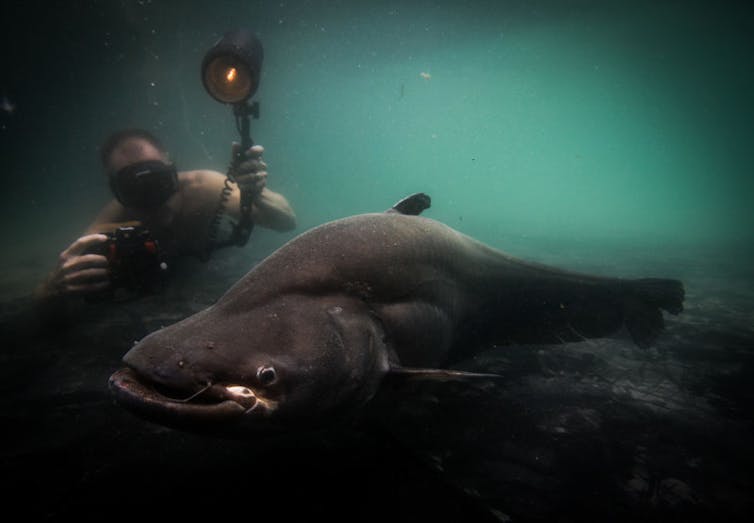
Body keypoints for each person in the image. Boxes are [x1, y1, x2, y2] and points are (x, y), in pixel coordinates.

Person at [35, 128, 296, 305]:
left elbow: (286, 222)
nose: (150, 197)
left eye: (156, 179)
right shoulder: (107, 225)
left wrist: (256, 193)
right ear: (116, 191)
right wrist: (52, 287)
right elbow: (53, 298)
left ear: (173, 170)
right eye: (133, 187)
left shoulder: (204, 188)